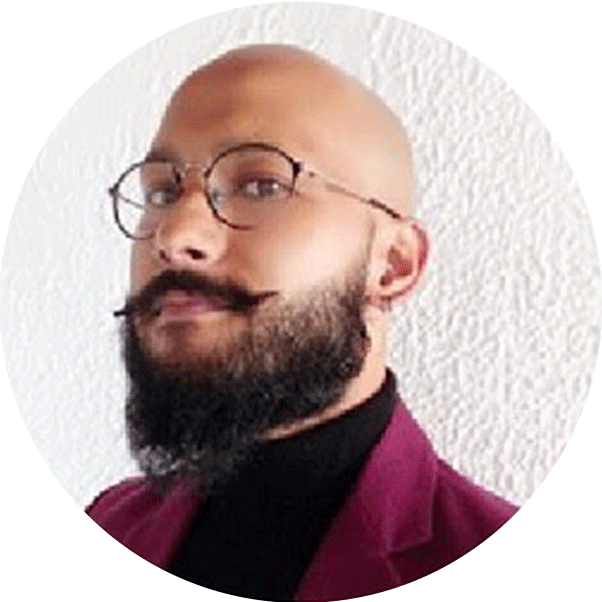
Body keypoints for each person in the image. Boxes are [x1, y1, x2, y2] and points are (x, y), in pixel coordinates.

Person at [87, 44, 518, 600]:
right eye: (163, 192)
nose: (174, 235)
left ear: (392, 264)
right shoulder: (107, 528)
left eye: (261, 185)